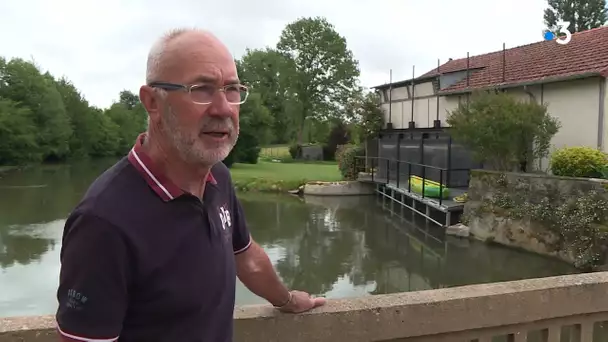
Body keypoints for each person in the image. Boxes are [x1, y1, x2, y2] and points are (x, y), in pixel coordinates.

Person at [55, 28, 325, 342]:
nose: (224, 108)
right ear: (153, 102)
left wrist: (288, 301)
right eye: (202, 89)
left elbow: (246, 256)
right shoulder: (103, 223)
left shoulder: (218, 176)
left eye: (232, 89)